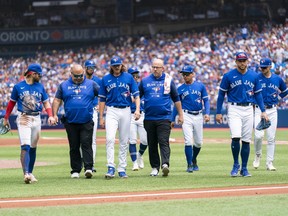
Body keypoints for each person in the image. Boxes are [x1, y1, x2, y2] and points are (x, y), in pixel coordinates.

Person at [216, 52, 269, 177]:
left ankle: (244, 168)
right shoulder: (228, 75)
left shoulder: (254, 76)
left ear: (247, 61)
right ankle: (236, 164)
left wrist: (263, 111)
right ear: (236, 62)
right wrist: (218, 112)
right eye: (240, 60)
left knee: (246, 140)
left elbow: (258, 95)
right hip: (234, 108)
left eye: (244, 60)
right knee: (235, 136)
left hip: (249, 109)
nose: (242, 63)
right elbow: (221, 95)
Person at [3, 63, 55, 184]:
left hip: (36, 118)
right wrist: (6, 118)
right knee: (25, 146)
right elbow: (11, 104)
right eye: (39, 74)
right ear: (32, 73)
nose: (40, 76)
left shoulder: (40, 87)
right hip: (24, 118)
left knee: (33, 147)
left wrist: (50, 115)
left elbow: (46, 103)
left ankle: (30, 173)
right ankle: (26, 173)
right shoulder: (18, 87)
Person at [52, 64, 99, 179]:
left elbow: (102, 95)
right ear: (71, 74)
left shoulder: (91, 84)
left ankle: (88, 168)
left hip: (86, 120)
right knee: (73, 146)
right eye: (76, 76)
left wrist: (101, 106)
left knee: (86, 144)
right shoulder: (63, 85)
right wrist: (54, 114)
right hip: (70, 121)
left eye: (81, 76)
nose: (79, 78)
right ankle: (75, 170)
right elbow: (57, 100)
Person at [138, 58, 184, 177]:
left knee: (163, 141)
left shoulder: (168, 80)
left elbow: (176, 98)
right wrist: (137, 109)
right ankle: (154, 167)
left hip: (164, 117)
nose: (155, 69)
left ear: (163, 68)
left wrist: (181, 114)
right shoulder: (145, 81)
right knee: (152, 143)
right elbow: (137, 96)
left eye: (157, 67)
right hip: (149, 117)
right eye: (153, 67)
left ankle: (165, 164)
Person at [98, 56, 140, 179]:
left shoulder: (129, 77)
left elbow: (136, 95)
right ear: (111, 66)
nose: (117, 67)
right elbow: (102, 99)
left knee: (123, 140)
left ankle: (122, 168)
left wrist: (137, 109)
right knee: (110, 139)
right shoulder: (105, 79)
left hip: (126, 110)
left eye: (118, 65)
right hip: (111, 110)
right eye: (115, 65)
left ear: (122, 65)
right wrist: (101, 116)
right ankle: (111, 167)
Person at [172, 65, 210, 173]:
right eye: (183, 74)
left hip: (198, 115)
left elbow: (206, 101)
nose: (185, 76)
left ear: (192, 74)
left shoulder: (200, 86)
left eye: (187, 74)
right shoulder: (180, 89)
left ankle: (193, 159)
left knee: (198, 143)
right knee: (188, 141)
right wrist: (172, 119)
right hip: (186, 115)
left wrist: (207, 113)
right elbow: (177, 105)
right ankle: (189, 164)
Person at [253, 58, 288, 171]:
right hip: (259, 109)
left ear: (270, 67)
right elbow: (250, 91)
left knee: (271, 138)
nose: (262, 69)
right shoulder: (256, 78)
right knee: (258, 136)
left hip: (272, 110)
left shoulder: (277, 79)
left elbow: (285, 90)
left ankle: (269, 163)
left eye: (265, 67)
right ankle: (258, 155)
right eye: (261, 67)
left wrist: (277, 98)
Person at [127, 66, 148, 171]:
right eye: (133, 75)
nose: (135, 77)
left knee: (145, 140)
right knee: (132, 140)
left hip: (141, 114)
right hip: (130, 115)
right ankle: (134, 162)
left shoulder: (142, 86)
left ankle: (140, 155)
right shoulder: (126, 87)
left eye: (136, 75)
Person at [84, 60, 102, 172]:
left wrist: (100, 107)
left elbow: (103, 95)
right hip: (83, 110)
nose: (91, 69)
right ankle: (83, 162)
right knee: (82, 139)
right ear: (85, 67)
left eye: (93, 67)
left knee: (93, 139)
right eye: (89, 67)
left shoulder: (97, 80)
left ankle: (91, 163)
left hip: (93, 109)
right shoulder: (81, 79)